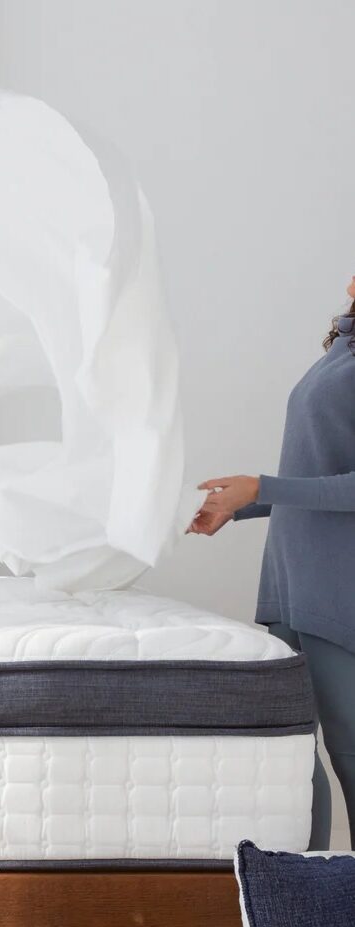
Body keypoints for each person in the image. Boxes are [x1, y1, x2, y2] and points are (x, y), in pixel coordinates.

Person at [191, 278, 355, 850]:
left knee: (348, 755)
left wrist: (262, 485)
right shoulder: (342, 348)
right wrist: (240, 506)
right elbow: (315, 471)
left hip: (336, 592)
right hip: (290, 582)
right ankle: (303, 906)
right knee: (288, 762)